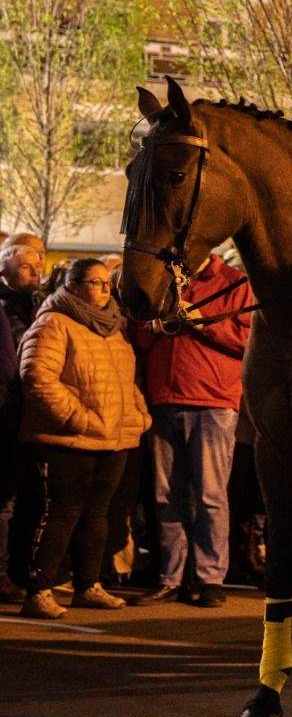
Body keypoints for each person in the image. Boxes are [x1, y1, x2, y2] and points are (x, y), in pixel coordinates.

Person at [15, 258, 150, 619]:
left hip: (113, 439)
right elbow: (37, 378)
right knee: (61, 513)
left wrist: (138, 415)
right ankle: (39, 589)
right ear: (73, 287)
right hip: (67, 439)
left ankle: (88, 584)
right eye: (96, 283)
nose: (105, 290)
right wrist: (79, 418)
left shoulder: (113, 328)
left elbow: (128, 380)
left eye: (108, 284)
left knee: (97, 514)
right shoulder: (54, 323)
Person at [131, 253, 252, 607]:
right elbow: (137, 332)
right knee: (166, 494)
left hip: (212, 400)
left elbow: (250, 340)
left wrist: (203, 321)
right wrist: (152, 328)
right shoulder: (162, 279)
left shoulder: (233, 282)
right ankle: (171, 577)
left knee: (210, 495)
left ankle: (210, 577)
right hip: (165, 396)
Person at [0, 237, 45, 602]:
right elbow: (11, 363)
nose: (37, 271)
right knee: (6, 499)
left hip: (24, 415)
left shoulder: (35, 305)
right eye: (28, 266)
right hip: (8, 412)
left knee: (26, 495)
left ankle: (16, 568)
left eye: (40, 263)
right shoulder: (7, 307)